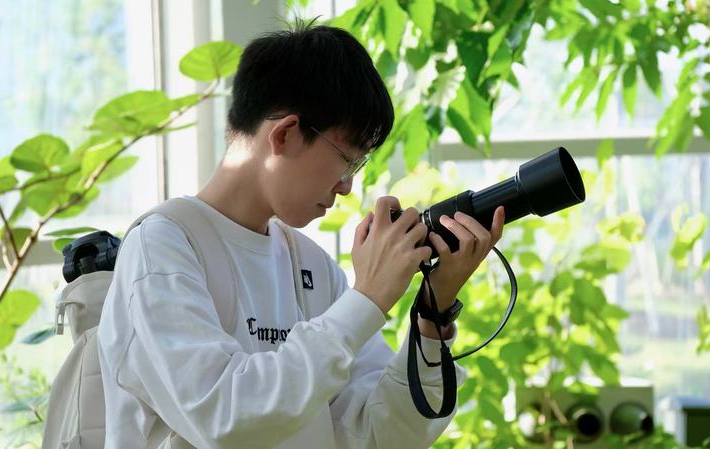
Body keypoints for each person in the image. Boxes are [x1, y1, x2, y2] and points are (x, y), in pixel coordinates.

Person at [97, 22, 505, 449]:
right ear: (285, 134)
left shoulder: (311, 265)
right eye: (348, 160)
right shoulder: (163, 247)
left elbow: (379, 436)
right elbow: (225, 418)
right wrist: (367, 299)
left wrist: (433, 314)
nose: (346, 185)